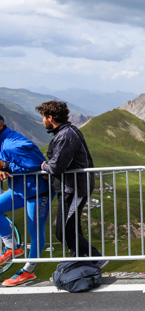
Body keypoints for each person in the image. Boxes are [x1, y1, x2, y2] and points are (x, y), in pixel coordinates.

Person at [36, 100, 102, 261]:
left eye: (43, 117)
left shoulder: (66, 135)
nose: (42, 121)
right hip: (69, 187)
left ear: (50, 117)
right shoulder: (65, 132)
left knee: (63, 231)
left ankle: (96, 258)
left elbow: (57, 165)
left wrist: (45, 167)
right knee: (71, 229)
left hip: (73, 189)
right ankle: (81, 262)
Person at [0, 114, 52, 286]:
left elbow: (39, 164)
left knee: (35, 231)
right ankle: (12, 246)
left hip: (37, 192)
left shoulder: (13, 144)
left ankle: (28, 270)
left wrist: (6, 166)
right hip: (20, 189)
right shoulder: (4, 140)